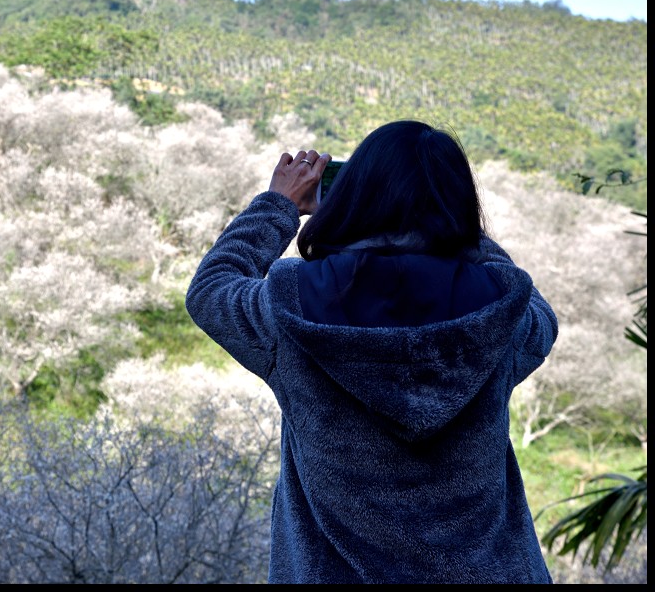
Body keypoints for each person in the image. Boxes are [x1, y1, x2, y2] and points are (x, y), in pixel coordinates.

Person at [185, 120, 558, 584]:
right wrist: (455, 230)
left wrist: (278, 205)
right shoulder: (503, 310)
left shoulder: (290, 304)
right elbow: (542, 318)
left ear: (355, 195)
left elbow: (212, 288)